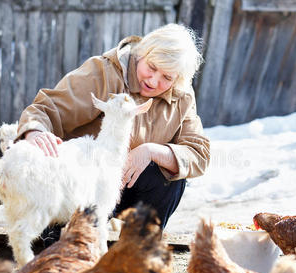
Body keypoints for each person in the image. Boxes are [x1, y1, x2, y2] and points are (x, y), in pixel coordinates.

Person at [16, 23, 210, 231]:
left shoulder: (182, 96)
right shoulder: (103, 73)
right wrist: (34, 130)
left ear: (178, 79)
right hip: (79, 188)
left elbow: (198, 153)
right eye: (152, 68)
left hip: (124, 187)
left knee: (169, 174)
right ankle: (59, 231)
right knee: (68, 252)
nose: (154, 81)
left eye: (167, 77)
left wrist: (151, 151)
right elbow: (47, 108)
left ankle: (140, 246)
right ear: (142, 53)